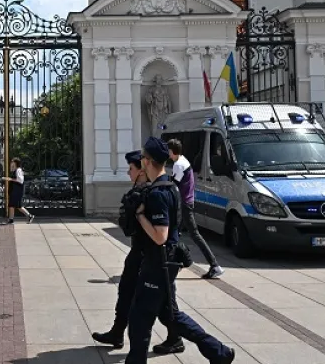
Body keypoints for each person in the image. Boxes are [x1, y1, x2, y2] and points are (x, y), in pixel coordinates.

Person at [125, 137, 235, 364]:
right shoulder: (170, 186)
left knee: (139, 320)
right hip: (166, 261)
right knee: (170, 315)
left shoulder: (158, 193)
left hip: (158, 263)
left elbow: (160, 236)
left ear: (148, 161)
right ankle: (218, 351)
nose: (142, 161)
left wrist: (139, 215)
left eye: (143, 158)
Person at [92, 150, 154, 349]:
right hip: (139, 251)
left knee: (165, 306)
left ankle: (207, 345)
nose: (128, 173)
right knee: (127, 291)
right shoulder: (142, 191)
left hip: (148, 254)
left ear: (141, 171)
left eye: (131, 169)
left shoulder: (151, 193)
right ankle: (117, 333)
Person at [167, 139, 224, 281]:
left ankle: (214, 265)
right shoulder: (183, 160)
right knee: (175, 234)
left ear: (171, 151)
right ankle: (176, 262)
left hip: (184, 204)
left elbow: (174, 185)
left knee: (194, 234)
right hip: (187, 202)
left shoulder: (178, 165)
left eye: (168, 151)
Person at [2, 158, 34, 224]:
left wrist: (9, 179)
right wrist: (11, 168)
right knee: (12, 205)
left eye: (12, 162)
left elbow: (20, 180)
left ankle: (29, 216)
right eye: (11, 162)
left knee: (18, 206)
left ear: (16, 163)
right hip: (15, 190)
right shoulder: (16, 170)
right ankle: (11, 219)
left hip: (17, 191)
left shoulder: (18, 170)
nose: (11, 163)